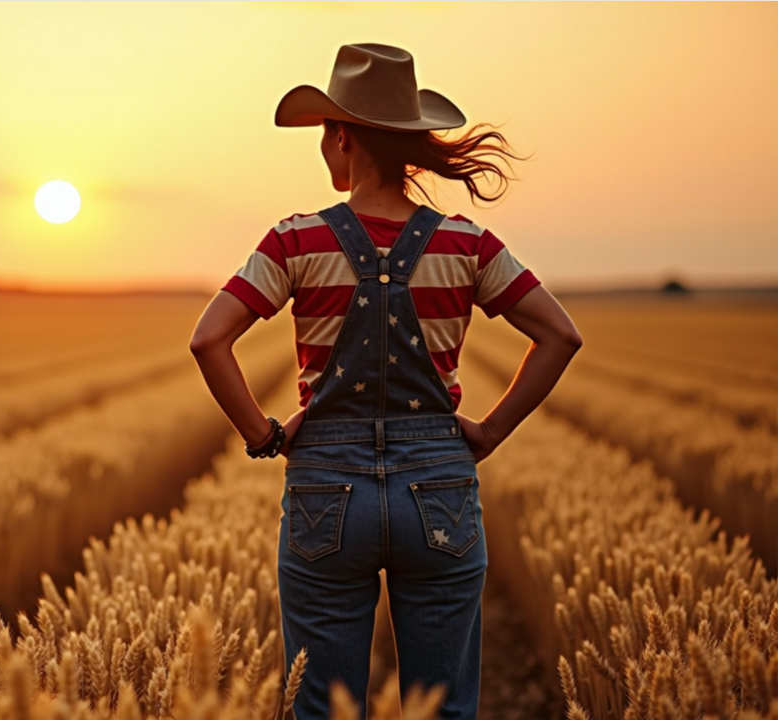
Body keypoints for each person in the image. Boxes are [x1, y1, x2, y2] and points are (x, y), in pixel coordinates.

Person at [189, 43, 583, 720]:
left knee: (321, 708)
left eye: (323, 135)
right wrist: (488, 430)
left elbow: (208, 338)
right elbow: (560, 335)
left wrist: (265, 433)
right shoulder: (469, 244)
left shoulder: (293, 241)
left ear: (342, 137)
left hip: (324, 488)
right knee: (442, 709)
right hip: (438, 487)